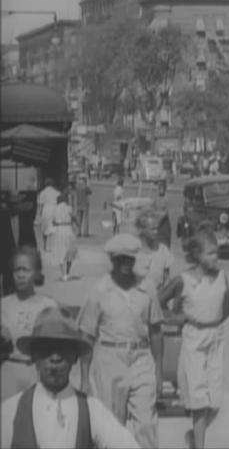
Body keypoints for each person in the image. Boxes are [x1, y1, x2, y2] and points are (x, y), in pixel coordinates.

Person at [1, 306, 141, 448]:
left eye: (63, 348)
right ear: (33, 355)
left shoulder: (92, 410)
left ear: (75, 357)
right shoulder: (10, 411)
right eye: (46, 348)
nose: (55, 357)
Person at [77, 233, 164, 449]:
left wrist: (159, 371)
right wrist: (85, 378)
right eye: (119, 260)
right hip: (109, 360)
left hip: (141, 359)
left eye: (129, 259)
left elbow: (155, 331)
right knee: (111, 426)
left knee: (146, 423)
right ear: (112, 261)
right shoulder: (99, 290)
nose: (125, 265)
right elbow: (87, 336)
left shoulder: (147, 288)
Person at [159, 227, 229, 449]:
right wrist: (177, 318)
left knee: (215, 402)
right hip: (193, 340)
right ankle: (199, 446)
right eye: (210, 253)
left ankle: (194, 436)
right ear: (197, 255)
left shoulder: (221, 278)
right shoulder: (182, 280)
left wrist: (213, 323)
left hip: (216, 339)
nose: (215, 257)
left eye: (216, 252)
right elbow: (158, 302)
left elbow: (226, 310)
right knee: (199, 399)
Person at [1, 246, 58, 400]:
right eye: (16, 270)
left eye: (25, 270)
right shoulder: (3, 305)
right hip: (7, 375)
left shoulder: (48, 306)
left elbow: (59, 349)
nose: (20, 275)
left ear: (37, 273)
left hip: (37, 374)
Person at [134, 211, 174, 297]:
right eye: (152, 229)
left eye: (157, 228)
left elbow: (166, 279)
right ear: (142, 230)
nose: (156, 232)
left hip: (158, 299)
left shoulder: (163, 250)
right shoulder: (133, 252)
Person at [49, 191, 79, 282]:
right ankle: (68, 272)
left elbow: (53, 221)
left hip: (59, 229)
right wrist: (76, 224)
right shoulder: (69, 208)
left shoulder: (54, 209)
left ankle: (63, 274)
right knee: (69, 252)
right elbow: (74, 218)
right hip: (68, 229)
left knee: (59, 252)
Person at [37, 178, 60, 251]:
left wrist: (40, 214)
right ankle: (53, 246)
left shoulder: (42, 193)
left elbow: (40, 205)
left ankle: (45, 246)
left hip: (45, 210)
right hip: (54, 209)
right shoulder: (57, 192)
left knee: (44, 229)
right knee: (54, 228)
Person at [152, 181, 172, 248]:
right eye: (160, 189)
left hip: (164, 222)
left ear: (165, 190)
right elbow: (153, 207)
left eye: (162, 189)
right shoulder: (156, 197)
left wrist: (159, 219)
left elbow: (166, 211)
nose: (161, 190)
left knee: (165, 241)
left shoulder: (167, 198)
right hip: (157, 221)